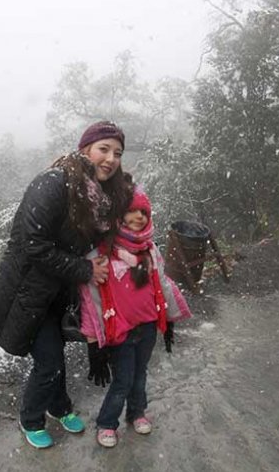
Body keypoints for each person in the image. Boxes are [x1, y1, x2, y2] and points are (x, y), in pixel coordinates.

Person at [0, 121, 130, 449]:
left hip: (58, 293)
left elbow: (97, 240)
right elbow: (34, 245)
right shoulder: (54, 183)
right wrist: (85, 269)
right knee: (49, 362)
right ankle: (30, 418)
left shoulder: (99, 196)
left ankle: (58, 406)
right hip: (28, 292)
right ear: (85, 149)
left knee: (55, 355)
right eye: (103, 149)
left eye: (117, 153)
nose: (110, 158)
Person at [79, 186, 192, 448]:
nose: (140, 216)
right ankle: (107, 423)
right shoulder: (103, 253)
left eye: (144, 211)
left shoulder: (150, 249)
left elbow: (162, 284)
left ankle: (136, 412)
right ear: (119, 215)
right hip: (120, 329)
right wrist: (92, 342)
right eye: (132, 211)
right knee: (123, 380)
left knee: (140, 374)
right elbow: (91, 300)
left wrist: (170, 317)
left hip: (148, 326)